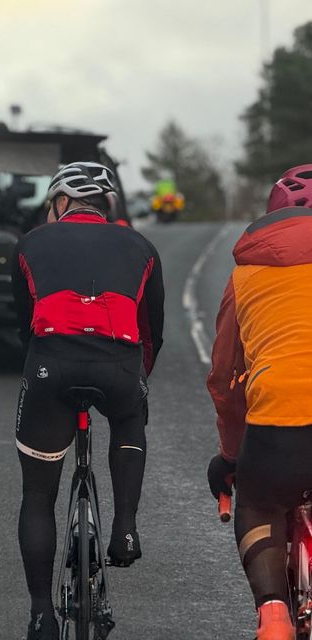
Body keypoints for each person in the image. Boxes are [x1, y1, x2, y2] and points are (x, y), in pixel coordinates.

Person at [11, 162, 164, 639]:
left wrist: (41, 368)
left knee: (38, 495)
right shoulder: (142, 246)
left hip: (50, 364)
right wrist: (138, 382)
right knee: (129, 420)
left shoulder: (31, 242)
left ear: (60, 204)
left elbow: (24, 323)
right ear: (106, 206)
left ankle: (41, 614)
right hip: (118, 367)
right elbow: (151, 333)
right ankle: (125, 527)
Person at [206, 165, 312, 640]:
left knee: (260, 503)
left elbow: (226, 379)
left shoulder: (245, 275)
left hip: (278, 420)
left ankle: (273, 615)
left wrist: (230, 457)